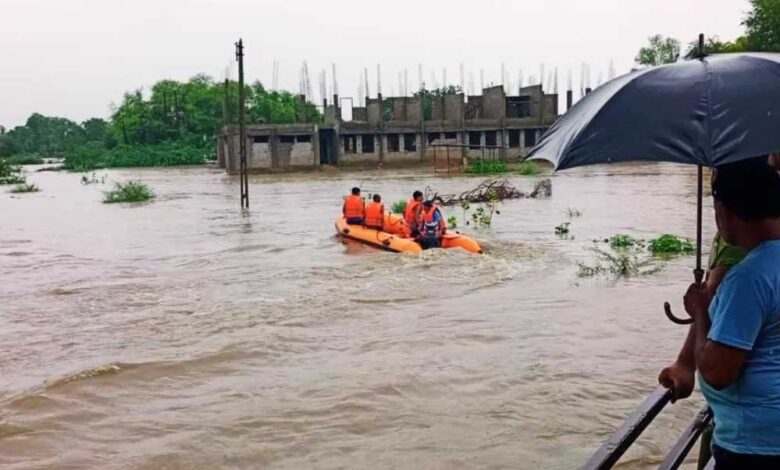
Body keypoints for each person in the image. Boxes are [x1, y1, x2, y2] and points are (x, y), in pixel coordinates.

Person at [674, 157, 780, 469]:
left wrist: (701, 311)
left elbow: (717, 373)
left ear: (729, 210)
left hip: (756, 445)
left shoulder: (750, 277)